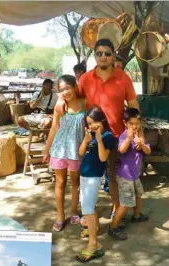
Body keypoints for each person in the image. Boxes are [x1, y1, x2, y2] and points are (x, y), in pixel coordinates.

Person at [77, 38, 141, 223]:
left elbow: (133, 105)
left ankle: (115, 210)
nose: (103, 57)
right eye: (99, 53)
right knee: (91, 176)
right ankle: (89, 214)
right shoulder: (86, 79)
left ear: (113, 56)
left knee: (113, 177)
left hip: (116, 137)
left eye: (107, 53)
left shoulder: (123, 78)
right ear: (95, 56)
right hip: (92, 137)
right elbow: (79, 103)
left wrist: (138, 132)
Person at [43, 75, 85, 231]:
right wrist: (46, 149)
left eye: (67, 87)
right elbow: (54, 128)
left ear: (75, 86)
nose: (65, 92)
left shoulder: (84, 104)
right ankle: (60, 216)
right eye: (61, 90)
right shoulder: (59, 107)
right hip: (59, 150)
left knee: (75, 183)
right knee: (60, 183)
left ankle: (74, 212)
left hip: (76, 151)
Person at [76, 106, 115, 263]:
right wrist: (85, 141)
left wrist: (98, 140)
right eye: (89, 123)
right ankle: (95, 227)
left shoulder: (107, 136)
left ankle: (94, 244)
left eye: (93, 123)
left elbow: (103, 158)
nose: (91, 126)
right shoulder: (90, 135)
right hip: (84, 174)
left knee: (87, 209)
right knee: (86, 205)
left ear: (102, 120)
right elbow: (80, 153)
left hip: (93, 177)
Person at [108, 108, 151, 240]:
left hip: (134, 174)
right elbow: (121, 150)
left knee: (138, 194)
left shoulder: (141, 136)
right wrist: (129, 139)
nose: (134, 126)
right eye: (131, 123)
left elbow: (148, 151)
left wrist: (141, 144)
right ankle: (113, 227)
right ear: (125, 123)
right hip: (125, 175)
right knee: (126, 202)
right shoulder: (124, 135)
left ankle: (136, 215)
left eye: (137, 123)